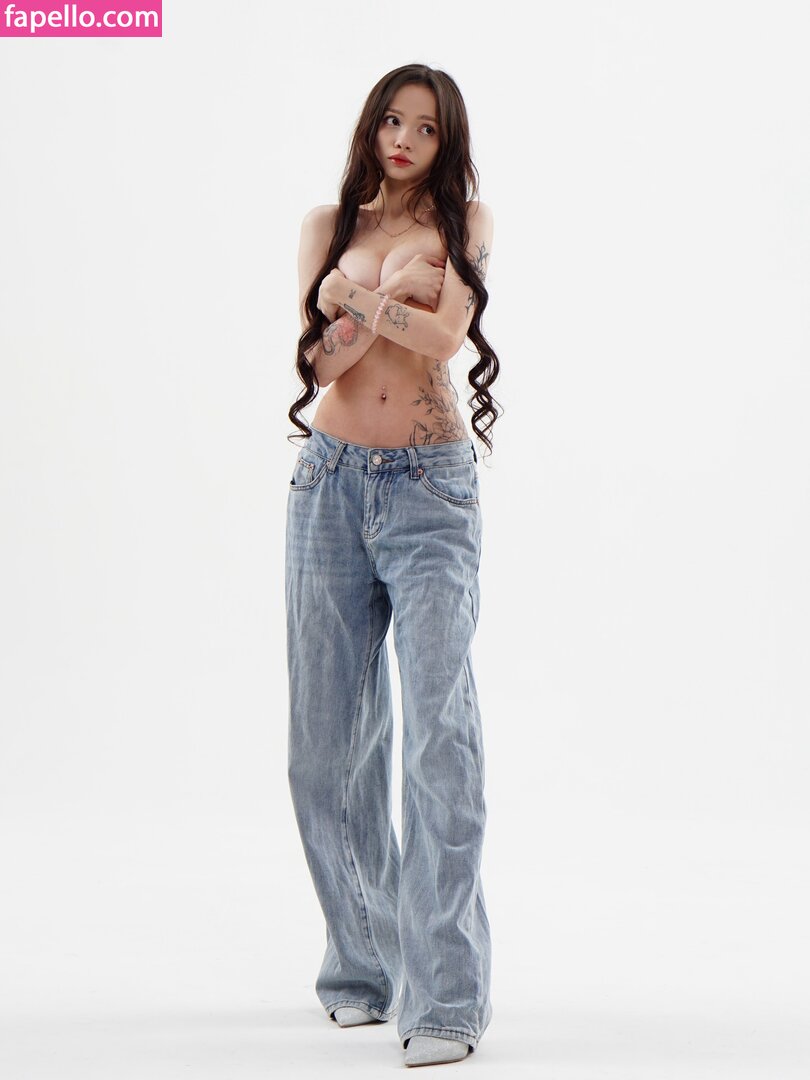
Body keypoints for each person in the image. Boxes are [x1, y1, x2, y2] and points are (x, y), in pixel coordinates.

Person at [285, 63, 502, 1068]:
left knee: (437, 740)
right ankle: (364, 965)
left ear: (445, 140)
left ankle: (446, 998)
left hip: (429, 494)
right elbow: (319, 361)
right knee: (324, 750)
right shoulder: (327, 225)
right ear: (370, 128)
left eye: (424, 126)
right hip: (328, 486)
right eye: (390, 120)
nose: (404, 139)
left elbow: (447, 337)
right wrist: (380, 301)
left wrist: (353, 300)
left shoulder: (467, 223)